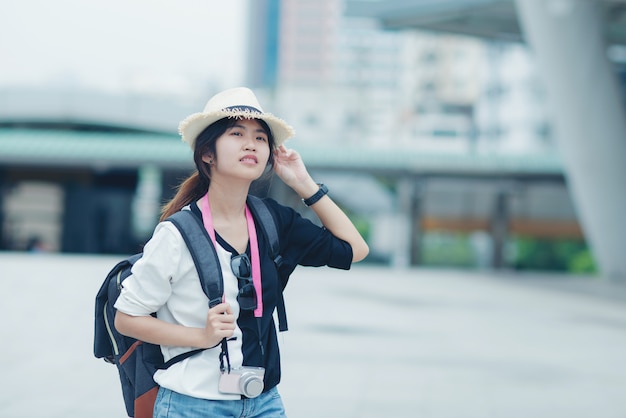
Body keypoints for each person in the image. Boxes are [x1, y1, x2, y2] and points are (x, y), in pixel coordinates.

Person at [114, 87, 369, 417]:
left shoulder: (274, 221)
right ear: (208, 153)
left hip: (263, 401)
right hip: (192, 404)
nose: (251, 144)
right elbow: (126, 318)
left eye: (261, 138)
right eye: (237, 134)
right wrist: (200, 336)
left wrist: (304, 183)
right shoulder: (177, 233)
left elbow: (355, 249)